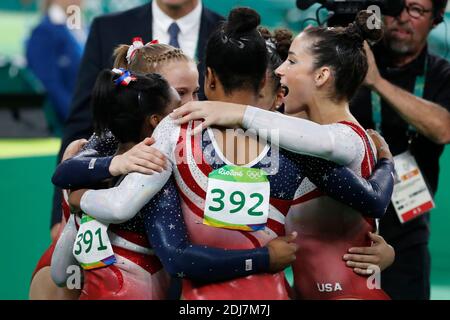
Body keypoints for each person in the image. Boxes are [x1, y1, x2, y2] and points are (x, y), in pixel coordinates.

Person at [70, 8, 396, 300]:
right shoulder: (293, 144)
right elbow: (368, 201)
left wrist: (79, 196)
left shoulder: (170, 132)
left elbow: (167, 248)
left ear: (208, 77)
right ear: (265, 79)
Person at [170, 10, 397, 299]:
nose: (279, 71)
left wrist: (236, 111)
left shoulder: (347, 137)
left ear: (322, 75)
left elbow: (364, 189)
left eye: (291, 61)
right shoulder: (295, 141)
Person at [50, 0, 224, 241]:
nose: (191, 103)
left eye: (195, 92)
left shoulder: (225, 35)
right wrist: (67, 210)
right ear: (150, 93)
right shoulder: (114, 139)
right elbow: (67, 166)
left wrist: (79, 198)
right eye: (180, 93)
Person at [349, 0, 450, 300]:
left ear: (436, 20)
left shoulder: (441, 74)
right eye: (397, 6)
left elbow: (443, 128)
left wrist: (376, 82)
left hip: (407, 230)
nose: (404, 18)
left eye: (417, 10)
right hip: (343, 229)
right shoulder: (353, 63)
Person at [26, 0, 85, 135]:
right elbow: (50, 85)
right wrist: (80, 119)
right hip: (68, 130)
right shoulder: (44, 32)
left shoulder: (83, 28)